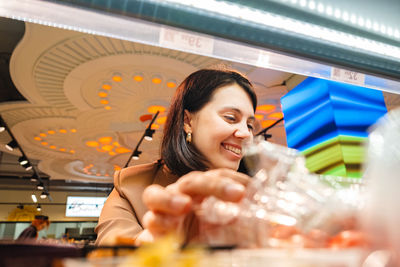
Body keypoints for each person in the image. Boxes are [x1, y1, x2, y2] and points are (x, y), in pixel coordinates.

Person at [95, 68, 257, 246]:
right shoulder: (128, 186)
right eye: (231, 118)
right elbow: (108, 252)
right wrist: (160, 240)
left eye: (249, 125)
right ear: (188, 122)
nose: (245, 134)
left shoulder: (257, 197)